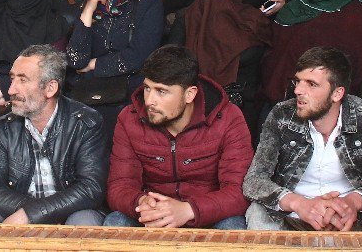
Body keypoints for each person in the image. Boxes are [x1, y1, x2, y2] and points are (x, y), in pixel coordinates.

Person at [245, 47, 362, 231]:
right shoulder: (281, 115)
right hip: (293, 217)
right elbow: (254, 180)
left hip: (349, 218)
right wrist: (299, 204)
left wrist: (353, 202)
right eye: (298, 81)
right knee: (257, 211)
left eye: (311, 84)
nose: (298, 90)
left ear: (337, 93)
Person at [105, 45, 252, 229]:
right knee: (115, 221)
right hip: (154, 214)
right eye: (147, 88)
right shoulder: (129, 118)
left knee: (233, 226)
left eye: (161, 91)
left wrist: (189, 210)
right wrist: (141, 202)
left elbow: (239, 192)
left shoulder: (228, 117)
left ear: (190, 94)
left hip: (206, 214)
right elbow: (119, 185)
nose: (149, 100)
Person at [0, 44, 106, 225]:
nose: (11, 90)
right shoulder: (6, 127)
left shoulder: (85, 122)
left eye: (23, 80)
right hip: (19, 212)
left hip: (70, 214)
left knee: (84, 219)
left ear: (50, 88)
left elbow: (90, 188)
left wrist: (31, 213)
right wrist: (35, 212)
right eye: (12, 79)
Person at [67, 0, 164, 118]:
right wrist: (88, 11)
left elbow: (138, 58)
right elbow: (76, 60)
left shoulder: (148, 5)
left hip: (128, 92)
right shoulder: (93, 2)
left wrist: (94, 64)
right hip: (89, 92)